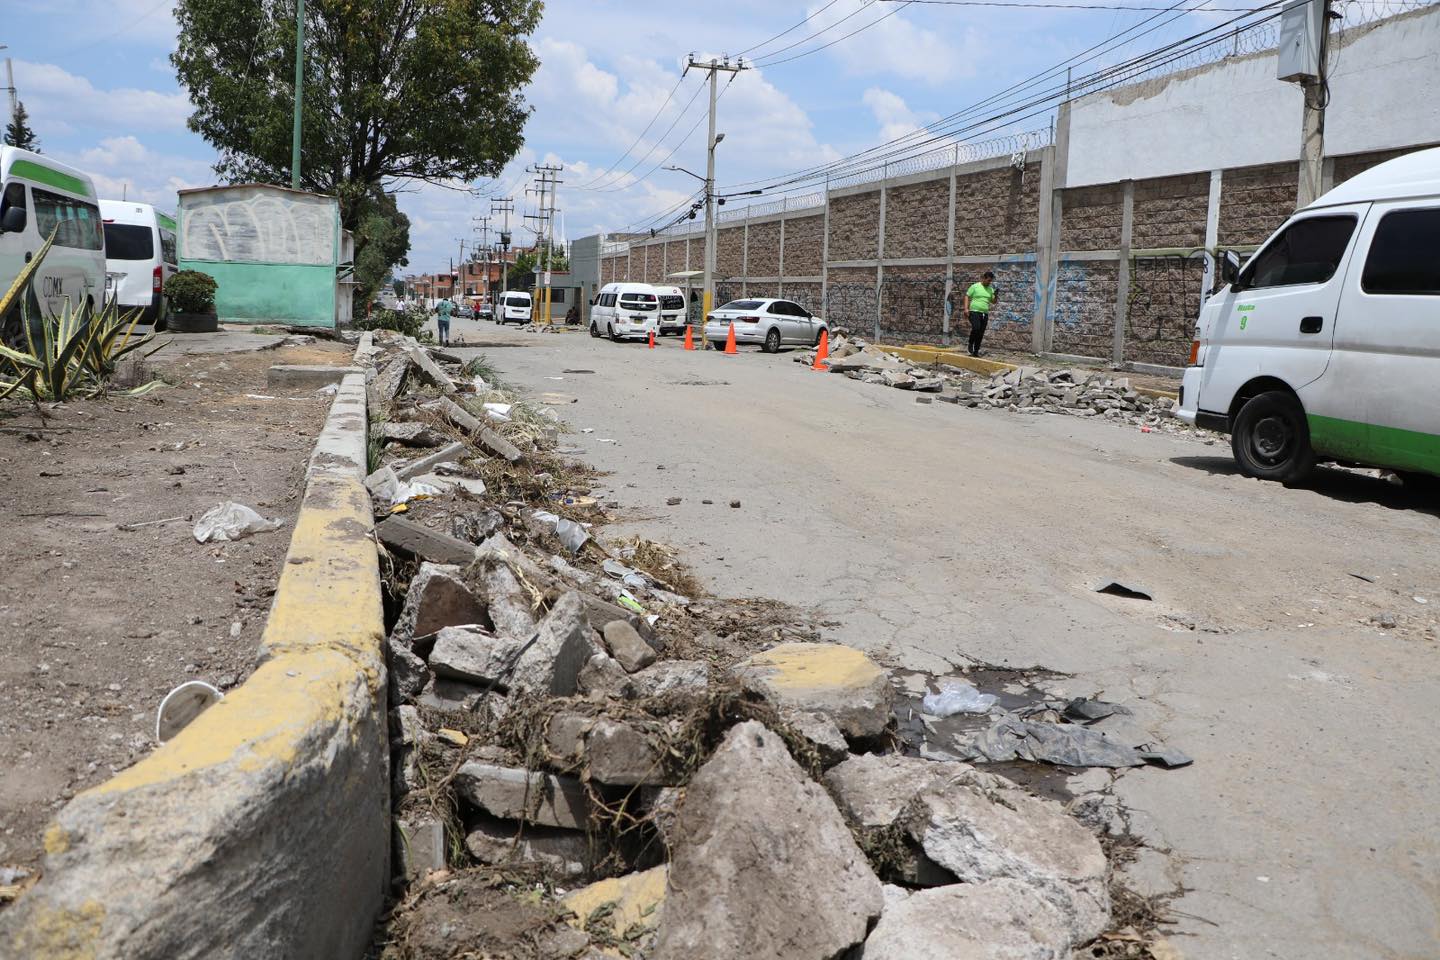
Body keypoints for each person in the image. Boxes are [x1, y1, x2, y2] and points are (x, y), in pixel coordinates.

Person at [963, 271, 998, 357]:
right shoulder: (975, 286)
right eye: (988, 280)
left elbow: (993, 302)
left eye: (991, 281)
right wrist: (966, 308)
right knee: (976, 328)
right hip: (974, 311)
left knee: (981, 333)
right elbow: (967, 296)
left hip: (984, 313)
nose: (989, 282)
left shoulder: (990, 289)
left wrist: (996, 295)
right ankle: (971, 343)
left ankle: (976, 351)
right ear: (984, 278)